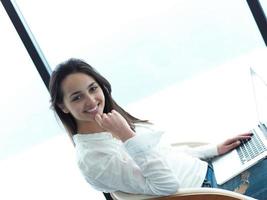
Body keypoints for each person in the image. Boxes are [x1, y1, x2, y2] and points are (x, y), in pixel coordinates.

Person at [49, 58, 267, 199]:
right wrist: (127, 136)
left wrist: (214, 150)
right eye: (77, 97)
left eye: (93, 88)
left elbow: (164, 157)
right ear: (63, 106)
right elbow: (166, 186)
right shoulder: (94, 160)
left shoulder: (108, 126)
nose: (91, 100)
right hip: (213, 190)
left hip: (209, 171)